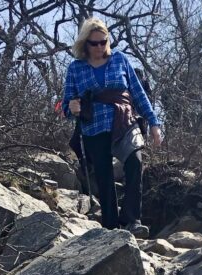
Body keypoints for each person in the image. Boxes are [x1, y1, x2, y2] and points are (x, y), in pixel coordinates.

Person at [62, 18, 163, 236]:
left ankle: (132, 219)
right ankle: (110, 225)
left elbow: (138, 94)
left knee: (135, 162)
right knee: (103, 174)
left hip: (124, 119)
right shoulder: (75, 68)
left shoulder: (120, 59)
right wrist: (72, 107)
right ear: (84, 44)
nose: (99, 47)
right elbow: (66, 106)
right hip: (93, 126)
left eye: (103, 41)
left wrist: (154, 123)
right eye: (94, 43)